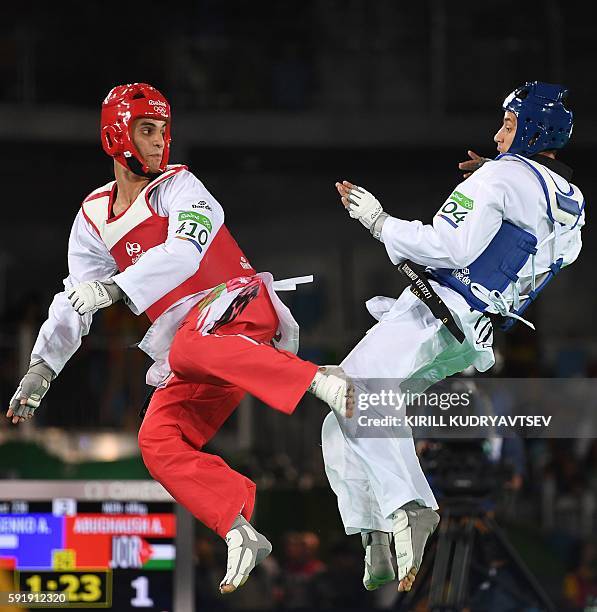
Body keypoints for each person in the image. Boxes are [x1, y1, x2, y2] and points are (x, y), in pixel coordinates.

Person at [6, 83, 351, 594]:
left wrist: (115, 287)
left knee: (191, 345)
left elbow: (186, 254)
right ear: (115, 134)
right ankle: (237, 527)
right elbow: (74, 297)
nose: (158, 142)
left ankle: (321, 381)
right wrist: (43, 367)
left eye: (163, 131)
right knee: (157, 440)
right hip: (203, 350)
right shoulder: (92, 219)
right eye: (147, 130)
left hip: (238, 309)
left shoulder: (183, 188)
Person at [322, 81, 585, 593]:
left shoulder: (502, 176)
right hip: (473, 333)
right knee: (348, 418)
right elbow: (539, 244)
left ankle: (411, 506)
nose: (497, 134)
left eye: (507, 125)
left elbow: (449, 246)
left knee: (352, 389)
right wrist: (498, 177)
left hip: (437, 308)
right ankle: (375, 529)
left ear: (531, 128)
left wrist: (379, 222)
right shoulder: (573, 202)